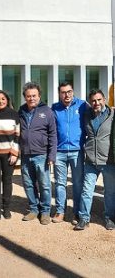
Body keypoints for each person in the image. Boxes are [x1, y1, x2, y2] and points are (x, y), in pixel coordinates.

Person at [74, 89, 115, 231]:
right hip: (90, 160)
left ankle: (109, 218)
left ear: (104, 100)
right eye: (93, 100)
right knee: (87, 190)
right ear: (90, 102)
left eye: (99, 100)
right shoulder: (86, 115)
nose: (96, 103)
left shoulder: (112, 115)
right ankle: (84, 218)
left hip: (108, 160)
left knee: (109, 192)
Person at [19, 82, 57, 225]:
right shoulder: (21, 111)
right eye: (28, 96)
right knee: (28, 184)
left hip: (42, 155)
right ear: (25, 97)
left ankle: (45, 211)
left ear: (39, 96)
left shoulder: (47, 111)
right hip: (26, 154)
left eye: (34, 96)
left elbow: (53, 134)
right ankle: (34, 209)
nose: (31, 98)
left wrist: (52, 155)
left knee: (44, 185)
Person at [51, 82, 87, 224]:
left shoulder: (82, 105)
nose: (67, 95)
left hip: (77, 151)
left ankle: (77, 212)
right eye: (63, 92)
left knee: (78, 183)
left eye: (69, 91)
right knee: (60, 183)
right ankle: (60, 211)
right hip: (59, 151)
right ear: (59, 93)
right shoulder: (55, 108)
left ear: (73, 91)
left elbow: (97, 112)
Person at [0, 90, 20, 221]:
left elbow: (18, 135)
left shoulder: (14, 114)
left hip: (9, 154)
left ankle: (6, 208)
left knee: (7, 180)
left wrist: (14, 152)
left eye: (3, 99)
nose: (0, 101)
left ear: (7, 100)